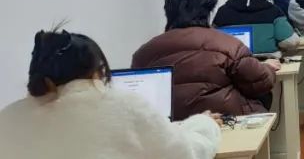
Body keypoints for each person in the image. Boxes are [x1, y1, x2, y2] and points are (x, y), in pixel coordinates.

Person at [0, 28, 221, 158]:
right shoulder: (123, 108)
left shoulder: (8, 118)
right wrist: (204, 124)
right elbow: (184, 153)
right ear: (97, 72)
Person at [132, 0, 279, 120]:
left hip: (170, 129)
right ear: (207, 14)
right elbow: (261, 82)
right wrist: (268, 67)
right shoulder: (228, 44)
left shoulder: (143, 53)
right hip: (226, 120)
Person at [213, 0, 300, 54]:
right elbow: (290, 42)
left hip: (233, 62)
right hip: (268, 62)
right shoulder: (273, 10)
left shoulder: (222, 11)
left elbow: (213, 40)